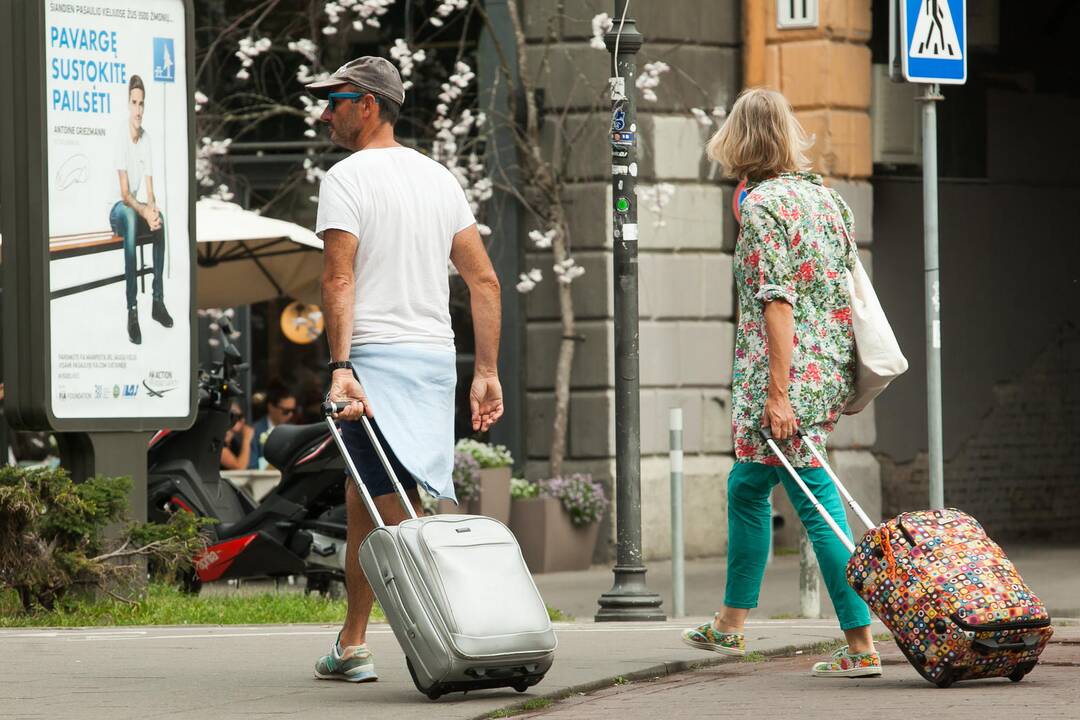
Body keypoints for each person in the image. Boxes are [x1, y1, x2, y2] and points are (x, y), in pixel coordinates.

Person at [306, 56, 504, 683]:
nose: (325, 112)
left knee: (396, 508)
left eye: (334, 100)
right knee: (368, 496)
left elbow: (338, 277)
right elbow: (485, 280)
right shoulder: (440, 179)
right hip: (433, 360)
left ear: (368, 105)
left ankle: (460, 637)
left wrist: (341, 366)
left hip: (373, 362)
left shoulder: (347, 177)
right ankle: (353, 641)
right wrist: (486, 371)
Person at [679, 87, 881, 678]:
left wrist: (777, 393)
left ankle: (862, 646)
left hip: (784, 380)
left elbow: (778, 305)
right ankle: (730, 625)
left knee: (818, 508)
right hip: (824, 371)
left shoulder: (764, 207)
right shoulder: (828, 202)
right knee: (747, 488)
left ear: (739, 142)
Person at [110, 74, 172, 345]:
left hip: (136, 208)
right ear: (128, 104)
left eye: (142, 103)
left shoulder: (146, 139)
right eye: (134, 103)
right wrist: (144, 212)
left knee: (162, 220)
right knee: (133, 226)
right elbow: (124, 195)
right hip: (118, 209)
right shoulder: (120, 136)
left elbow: (149, 189)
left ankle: (157, 301)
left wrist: (153, 210)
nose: (138, 109)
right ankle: (131, 310)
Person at [248, 382, 297, 469]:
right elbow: (252, 465)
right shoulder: (255, 430)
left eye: (293, 410)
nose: (290, 415)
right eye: (286, 411)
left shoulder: (294, 430)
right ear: (271, 407)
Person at [220, 402, 254, 470]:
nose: (243, 420)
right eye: (239, 417)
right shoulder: (217, 442)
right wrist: (246, 439)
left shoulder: (233, 443)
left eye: (242, 416)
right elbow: (239, 467)